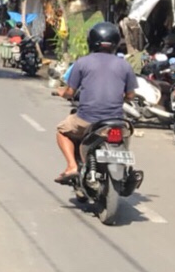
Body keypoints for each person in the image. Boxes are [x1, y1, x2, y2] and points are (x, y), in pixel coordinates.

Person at [54, 21, 136, 184]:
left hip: (87, 119)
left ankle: (72, 166)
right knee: (124, 134)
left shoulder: (82, 62)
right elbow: (131, 95)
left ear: (91, 41)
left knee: (62, 131)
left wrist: (60, 92)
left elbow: (70, 92)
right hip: (116, 121)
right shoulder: (125, 65)